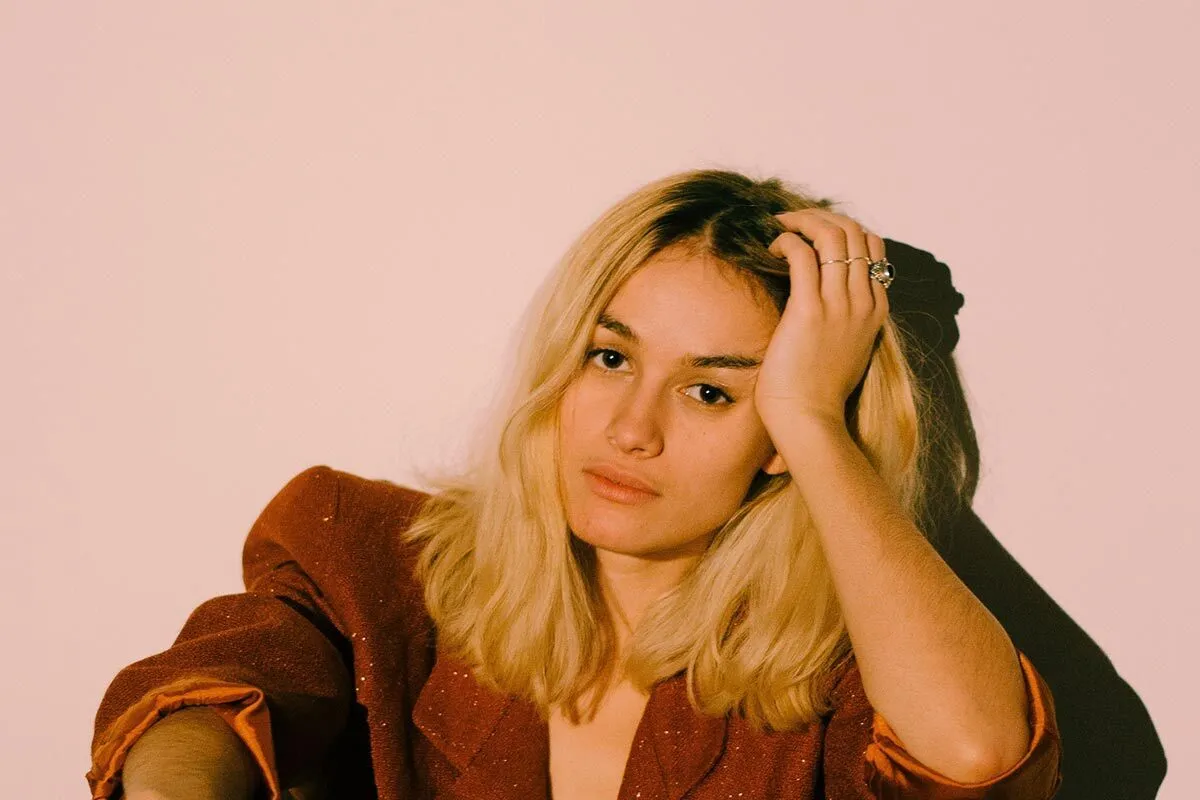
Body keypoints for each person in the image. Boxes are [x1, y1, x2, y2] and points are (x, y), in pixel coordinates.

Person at [88, 169, 1062, 799]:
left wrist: (812, 418)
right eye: (609, 357)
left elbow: (976, 757)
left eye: (711, 390)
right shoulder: (370, 554)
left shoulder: (849, 667)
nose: (632, 429)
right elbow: (204, 700)